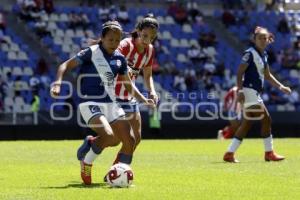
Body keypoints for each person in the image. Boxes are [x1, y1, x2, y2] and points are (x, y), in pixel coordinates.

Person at [50, 20, 155, 185]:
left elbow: (128, 84)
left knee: (130, 140)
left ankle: (117, 175)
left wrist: (144, 99)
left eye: (117, 40)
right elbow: (64, 66)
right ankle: (87, 162)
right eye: (110, 39)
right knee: (109, 135)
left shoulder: (120, 59)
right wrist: (57, 83)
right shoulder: (91, 52)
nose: (114, 43)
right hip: (89, 102)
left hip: (111, 104)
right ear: (103, 38)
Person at [223, 26, 292, 163]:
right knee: (266, 119)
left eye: (265, 38)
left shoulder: (264, 56)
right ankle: (269, 153)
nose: (262, 40)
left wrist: (281, 86)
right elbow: (239, 73)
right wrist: (240, 90)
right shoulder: (250, 53)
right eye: (260, 38)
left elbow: (267, 75)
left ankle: (229, 154)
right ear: (254, 39)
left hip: (254, 92)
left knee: (247, 124)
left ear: (268, 40)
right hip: (248, 91)